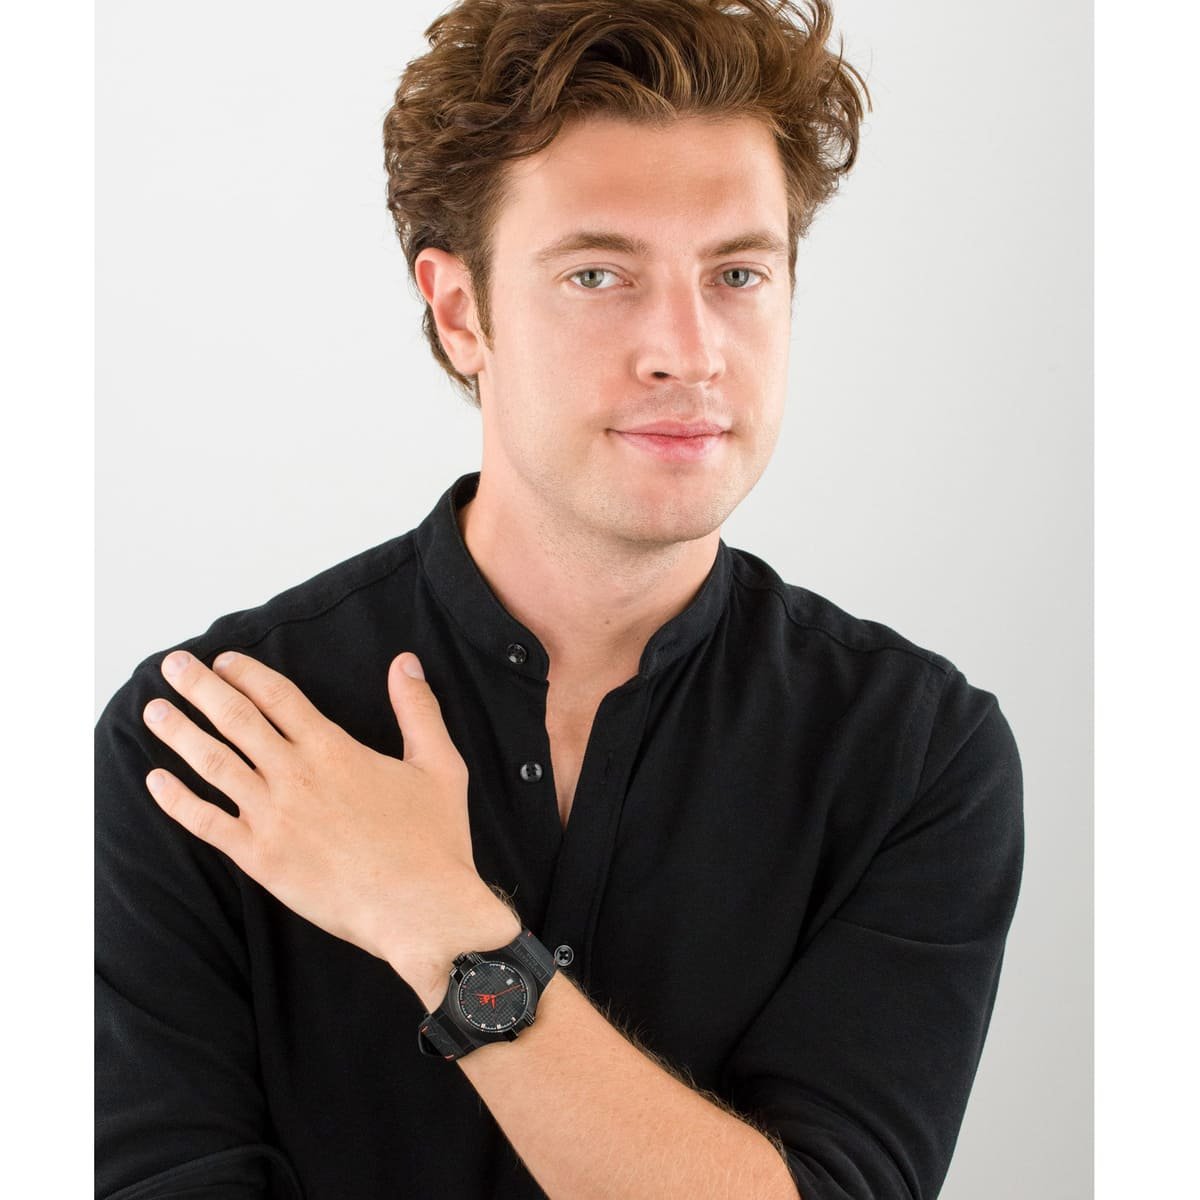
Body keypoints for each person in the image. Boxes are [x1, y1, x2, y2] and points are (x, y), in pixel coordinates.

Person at [95, 1, 1024, 1197]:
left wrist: (440, 922)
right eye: (598, 274)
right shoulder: (211, 742)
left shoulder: (914, 753)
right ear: (460, 312)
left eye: (738, 273)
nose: (689, 349)